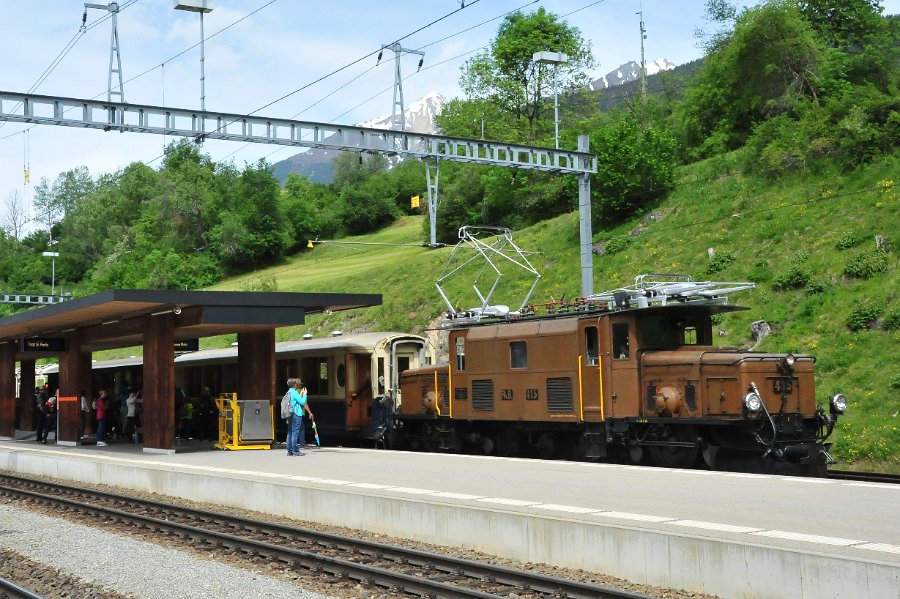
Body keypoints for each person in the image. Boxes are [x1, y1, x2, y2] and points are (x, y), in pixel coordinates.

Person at [286, 378, 313, 456]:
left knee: (290, 433)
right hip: (296, 414)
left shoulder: (288, 392)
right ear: (295, 385)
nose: (298, 385)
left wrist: (300, 395)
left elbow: (295, 401)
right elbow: (302, 402)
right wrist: (305, 394)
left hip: (290, 414)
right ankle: (295, 451)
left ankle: (289, 451)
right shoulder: (294, 392)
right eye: (297, 384)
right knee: (295, 433)